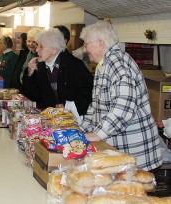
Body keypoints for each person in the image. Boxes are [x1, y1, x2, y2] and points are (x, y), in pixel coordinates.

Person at [79, 20, 162, 171]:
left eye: (86, 44)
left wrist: (99, 134)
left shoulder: (118, 63)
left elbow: (124, 107)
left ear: (99, 43)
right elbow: (96, 105)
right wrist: (81, 129)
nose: (84, 49)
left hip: (133, 152)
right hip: (119, 151)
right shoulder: (104, 64)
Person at [22, 28, 93, 115]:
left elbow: (89, 93)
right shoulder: (39, 66)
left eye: (41, 46)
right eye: (37, 46)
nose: (37, 50)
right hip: (48, 117)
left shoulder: (74, 65)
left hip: (72, 117)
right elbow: (33, 95)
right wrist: (29, 73)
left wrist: (68, 106)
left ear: (54, 49)